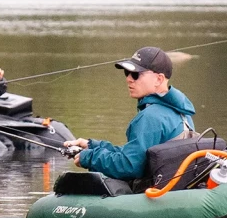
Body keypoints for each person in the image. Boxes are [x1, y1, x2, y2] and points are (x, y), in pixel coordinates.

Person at [64, 46, 196, 180]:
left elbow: (129, 166)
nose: (129, 79)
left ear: (159, 79)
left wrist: (89, 157)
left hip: (156, 193)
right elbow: (136, 154)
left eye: (136, 74)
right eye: (127, 73)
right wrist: (92, 146)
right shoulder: (181, 112)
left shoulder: (150, 117)